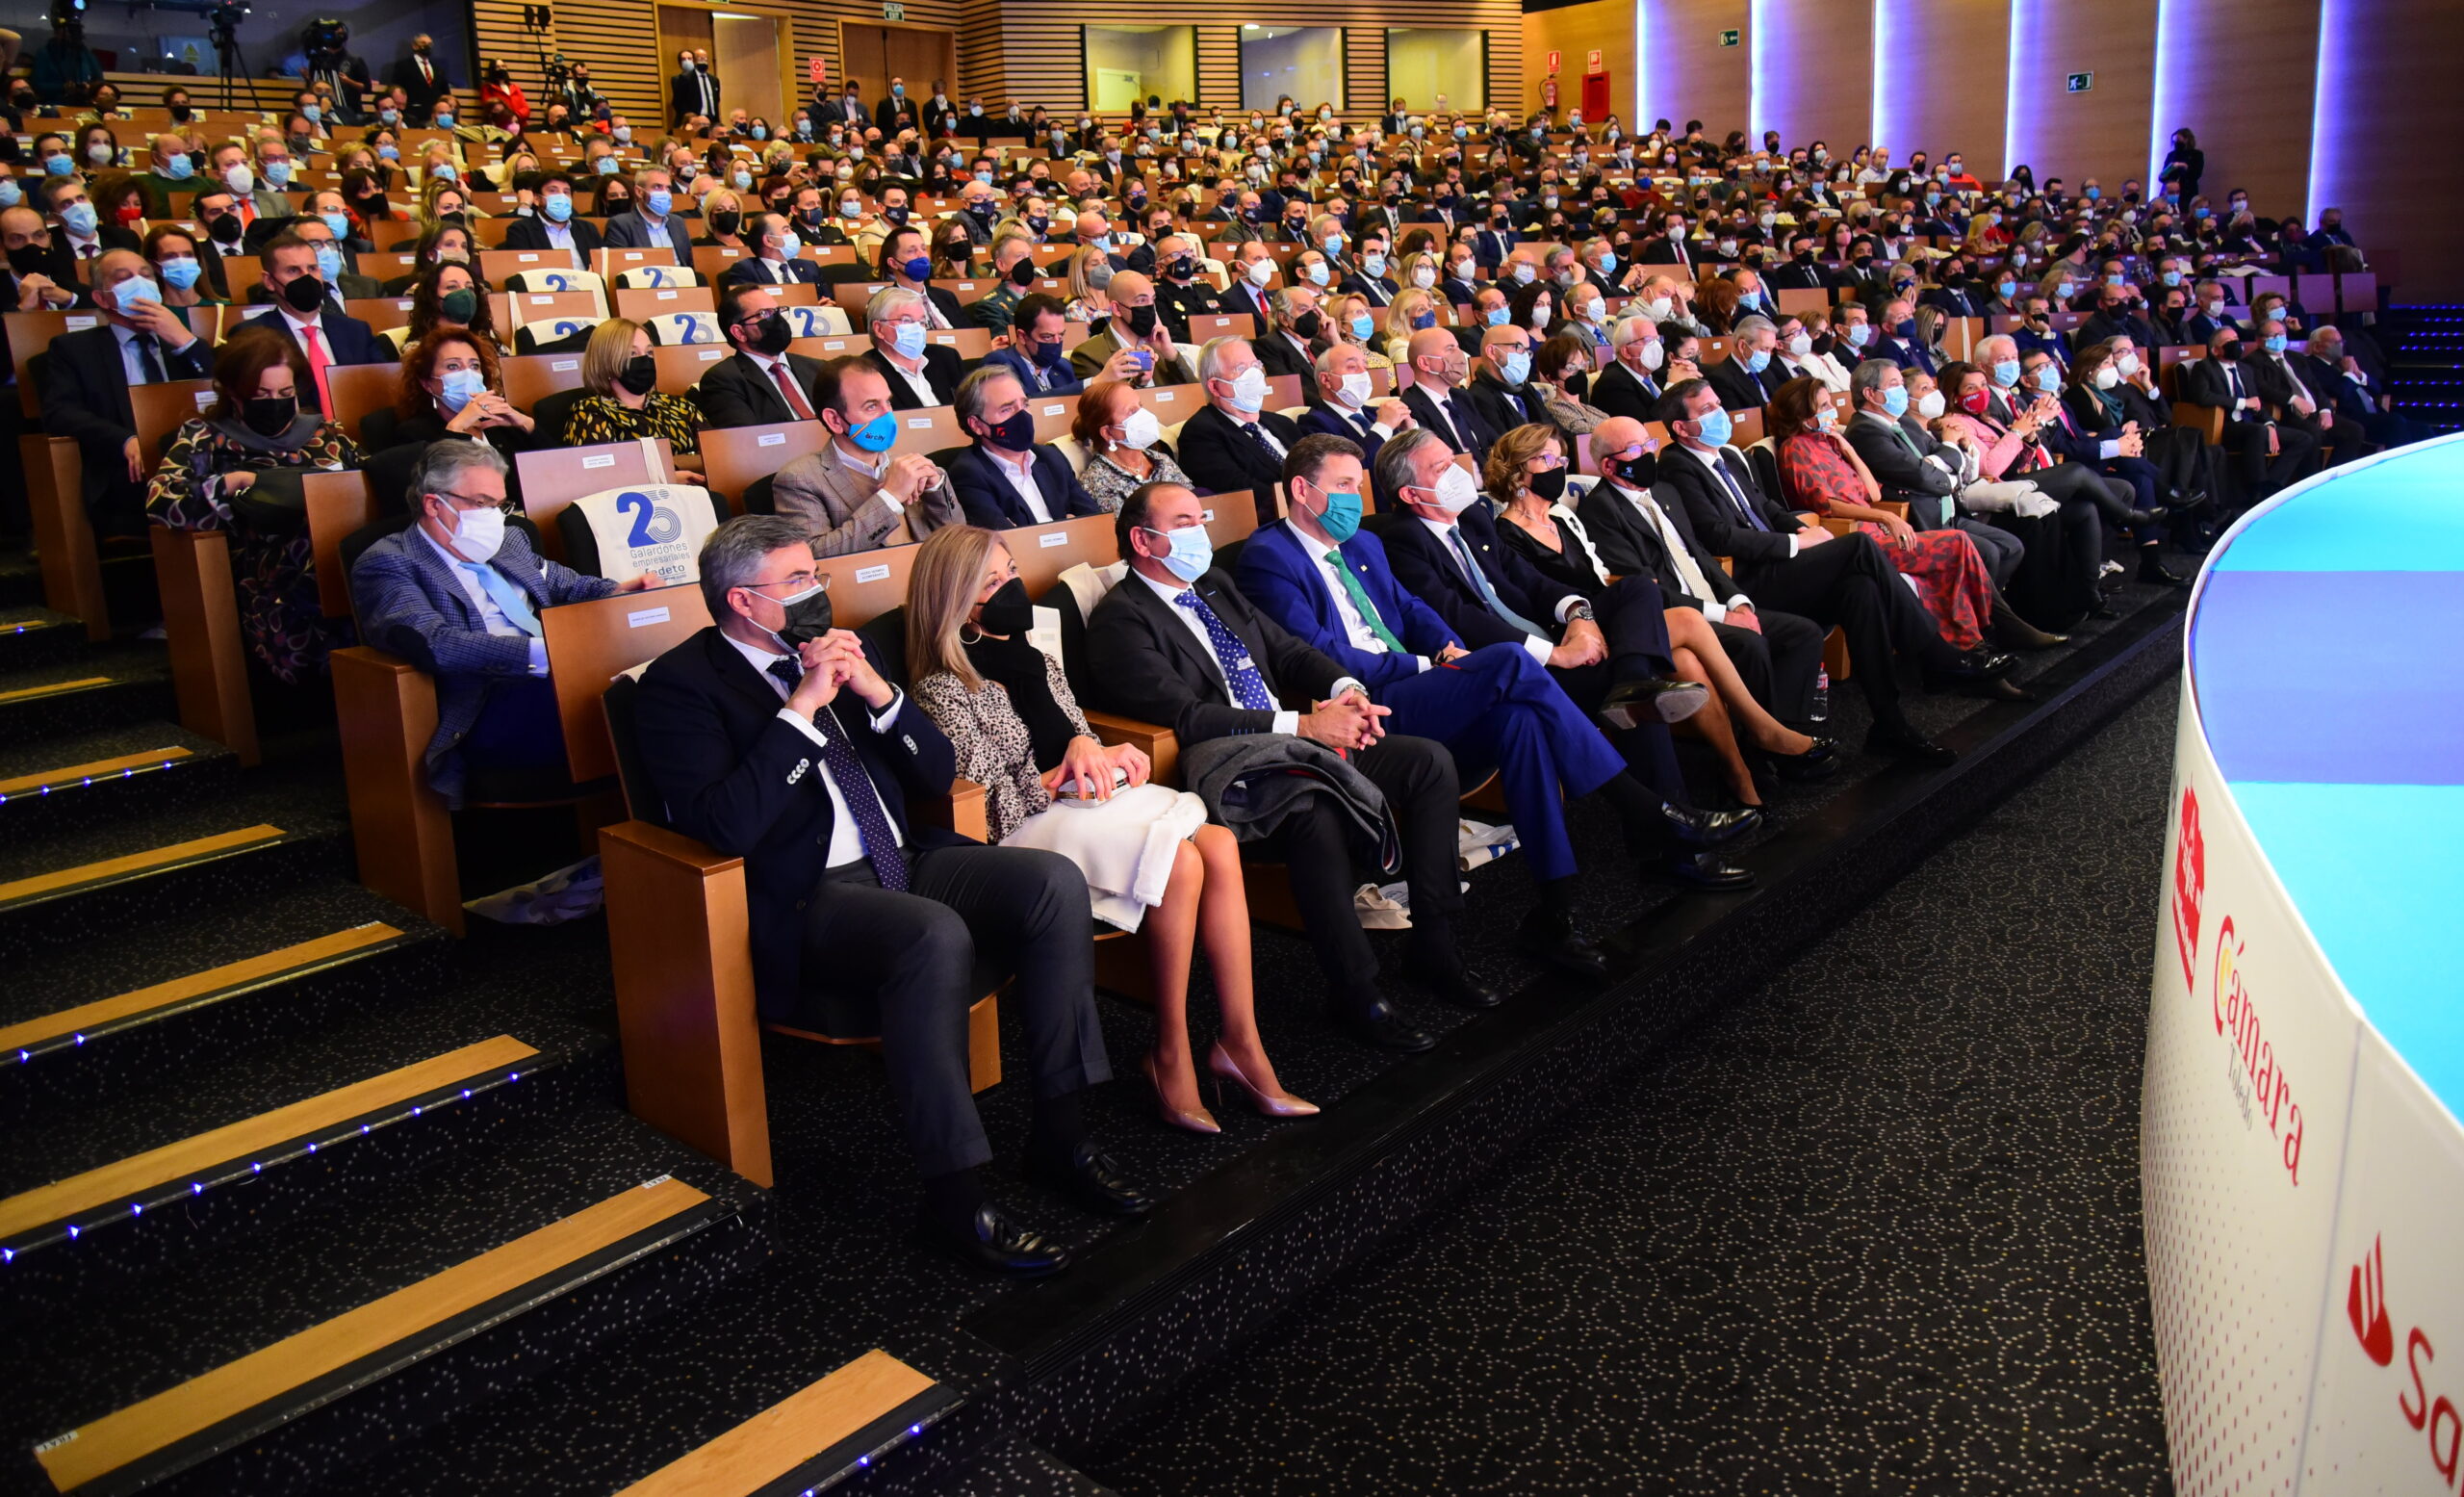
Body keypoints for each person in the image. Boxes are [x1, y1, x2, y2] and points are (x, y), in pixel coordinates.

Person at [635, 513, 1147, 1275]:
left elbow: (935, 775)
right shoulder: (678, 687)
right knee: (931, 933)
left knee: (1051, 882)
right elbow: (727, 824)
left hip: (902, 855)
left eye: (818, 574)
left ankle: (1062, 1137)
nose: (817, 592)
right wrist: (801, 709)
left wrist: (879, 696)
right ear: (743, 601)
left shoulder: (851, 652)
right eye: (798, 581)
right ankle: (954, 1198)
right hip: (810, 893)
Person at [1245, 433, 1756, 966]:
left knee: (1522, 724)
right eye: (1344, 485)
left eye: (1358, 483)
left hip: (1423, 684)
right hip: (1369, 707)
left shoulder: (1363, 544)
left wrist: (1445, 645)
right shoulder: (1268, 557)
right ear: (1302, 490)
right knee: (1510, 661)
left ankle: (1556, 918)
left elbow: (1412, 608)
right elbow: (1322, 655)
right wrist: (1434, 662)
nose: (1356, 497)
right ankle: (1644, 808)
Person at [907, 525, 1312, 1132]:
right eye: (991, 582)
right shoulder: (942, 686)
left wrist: (1104, 752)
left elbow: (1081, 736)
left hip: (1085, 806)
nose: (1012, 587)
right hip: (1029, 827)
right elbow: (984, 803)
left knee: (1219, 841)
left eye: (1011, 571)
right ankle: (1171, 1049)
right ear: (956, 600)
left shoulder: (1038, 658)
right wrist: (1062, 772)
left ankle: (1239, 1041)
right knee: (1183, 858)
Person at [1084, 478, 1483, 1051]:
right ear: (1143, 542)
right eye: (1183, 524)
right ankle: (1356, 990)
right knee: (1312, 811)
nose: (1201, 532)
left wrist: (1346, 691)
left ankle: (1437, 948)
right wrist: (1304, 725)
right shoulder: (1122, 621)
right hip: (1235, 769)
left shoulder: (1214, 584)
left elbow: (1289, 651)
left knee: (1428, 764)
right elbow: (1190, 718)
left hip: (1297, 743)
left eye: (1200, 518)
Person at [1654, 378, 2003, 764]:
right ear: (1681, 428)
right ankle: (1938, 656)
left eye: (1718, 402)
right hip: (1747, 581)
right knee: (1859, 545)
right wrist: (1796, 544)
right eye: (1706, 410)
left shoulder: (1729, 456)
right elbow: (1717, 537)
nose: (1719, 412)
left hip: (1781, 566)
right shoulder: (1675, 465)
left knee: (1861, 590)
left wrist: (1803, 528)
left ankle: (1891, 724)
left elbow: (1766, 508)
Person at [1484, 423, 1835, 806]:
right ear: (1519, 471)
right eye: (1548, 459)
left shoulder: (1563, 518)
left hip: (1613, 618)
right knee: (1683, 618)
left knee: (1686, 657)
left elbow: (1600, 575)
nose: (1559, 468)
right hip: (1574, 634)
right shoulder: (1506, 534)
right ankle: (1760, 735)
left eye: (1562, 458)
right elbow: (1535, 599)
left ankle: (1740, 774)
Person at [351, 440, 643, 807]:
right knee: (639, 701)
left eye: (499, 504)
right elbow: (433, 642)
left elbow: (566, 584)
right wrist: (543, 654)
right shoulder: (389, 562)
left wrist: (622, 593)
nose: (494, 516)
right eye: (481, 503)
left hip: (563, 676)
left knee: (656, 677)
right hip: (488, 703)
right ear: (433, 504)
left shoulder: (509, 540)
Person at [1576, 415, 1828, 725]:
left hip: (1717, 602)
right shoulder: (1601, 510)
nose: (1646, 454)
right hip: (1682, 616)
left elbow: (1702, 556)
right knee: (1751, 644)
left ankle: (1789, 728)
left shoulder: (1665, 492)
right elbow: (1648, 589)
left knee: (1804, 634)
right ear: (1608, 467)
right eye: (1633, 449)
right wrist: (1725, 616)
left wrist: (1738, 602)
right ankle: (1763, 749)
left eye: (1648, 444)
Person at [146, 324, 361, 682]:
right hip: (263, 569)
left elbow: (365, 481)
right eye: (261, 394)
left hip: (335, 552)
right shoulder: (205, 437)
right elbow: (161, 501)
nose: (275, 402)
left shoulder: (326, 433)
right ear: (234, 393)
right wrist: (233, 483)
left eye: (285, 392)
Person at [1770, 377, 2000, 658]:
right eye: (1824, 406)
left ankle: (1973, 639)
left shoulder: (1828, 443)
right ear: (1803, 415)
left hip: (1876, 532)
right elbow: (1827, 504)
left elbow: (1873, 493)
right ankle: (1973, 642)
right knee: (1956, 543)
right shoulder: (1795, 449)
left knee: (1958, 547)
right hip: (1856, 542)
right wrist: (1884, 518)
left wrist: (1848, 449)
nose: (1832, 410)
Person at [38, 248, 214, 536]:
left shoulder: (183, 342)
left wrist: (185, 341)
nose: (139, 283)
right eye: (124, 278)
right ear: (101, 297)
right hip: (128, 470)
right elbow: (60, 412)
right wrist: (124, 440)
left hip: (198, 458)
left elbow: (224, 391)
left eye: (146, 275)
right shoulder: (74, 349)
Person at [770, 355, 962, 553]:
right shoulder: (799, 479)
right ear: (835, 420)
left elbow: (958, 539)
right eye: (871, 406)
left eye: (888, 402)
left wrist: (936, 488)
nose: (887, 415)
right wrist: (890, 497)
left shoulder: (905, 463)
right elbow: (814, 555)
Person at [944, 366, 1103, 528]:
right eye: (1007, 409)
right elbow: (1006, 542)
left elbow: (1093, 522)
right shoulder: (968, 474)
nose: (1022, 416)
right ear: (977, 424)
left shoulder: (1051, 457)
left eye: (1025, 405)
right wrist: (1068, 528)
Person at [564, 319, 705, 476]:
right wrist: (668, 477)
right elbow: (603, 476)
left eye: (649, 352)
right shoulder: (590, 414)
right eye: (632, 353)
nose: (645, 360)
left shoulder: (680, 405)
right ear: (606, 359)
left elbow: (717, 453)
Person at [1173, 336, 1305, 503]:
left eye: (1256, 365)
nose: (1254, 374)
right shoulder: (1200, 433)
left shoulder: (1282, 422)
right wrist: (1304, 501)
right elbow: (1240, 490)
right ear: (1214, 386)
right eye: (1241, 368)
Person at [694, 284, 831, 429]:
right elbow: (747, 440)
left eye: (778, 311)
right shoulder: (722, 379)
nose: (777, 319)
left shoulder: (818, 368)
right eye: (765, 314)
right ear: (739, 332)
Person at [1071, 377, 1194, 513]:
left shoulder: (1161, 460)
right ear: (1107, 433)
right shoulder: (1097, 482)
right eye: (1132, 411)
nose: (1143, 416)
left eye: (1140, 406)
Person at [1067, 272, 1194, 387]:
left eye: (1153, 300)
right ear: (1116, 308)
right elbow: (1104, 407)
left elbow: (1195, 393)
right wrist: (1136, 385)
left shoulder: (1160, 347)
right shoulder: (1089, 354)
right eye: (1141, 301)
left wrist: (1170, 353)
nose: (1150, 307)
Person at [862, 286, 962, 409]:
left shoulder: (946, 357)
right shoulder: (866, 374)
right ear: (879, 329)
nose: (917, 328)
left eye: (921, 322)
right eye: (906, 320)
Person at [500, 170, 603, 266]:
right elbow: (523, 270)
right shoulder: (521, 230)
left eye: (566, 192)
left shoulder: (588, 229)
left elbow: (602, 264)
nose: (561, 196)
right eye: (553, 191)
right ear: (536, 199)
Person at [602, 168, 694, 262]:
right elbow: (619, 267)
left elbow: (689, 261)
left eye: (668, 188)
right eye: (657, 187)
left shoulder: (677, 222)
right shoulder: (621, 225)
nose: (665, 193)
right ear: (639, 192)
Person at [723, 211, 823, 287]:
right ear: (769, 240)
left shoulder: (810, 267)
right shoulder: (745, 271)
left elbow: (827, 301)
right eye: (786, 230)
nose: (793, 234)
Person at [388, 35, 449, 124]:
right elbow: (397, 89)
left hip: (434, 117)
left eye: (429, 44)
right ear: (414, 46)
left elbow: (445, 92)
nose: (427, 46)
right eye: (423, 43)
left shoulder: (438, 69)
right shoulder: (403, 66)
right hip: (412, 115)